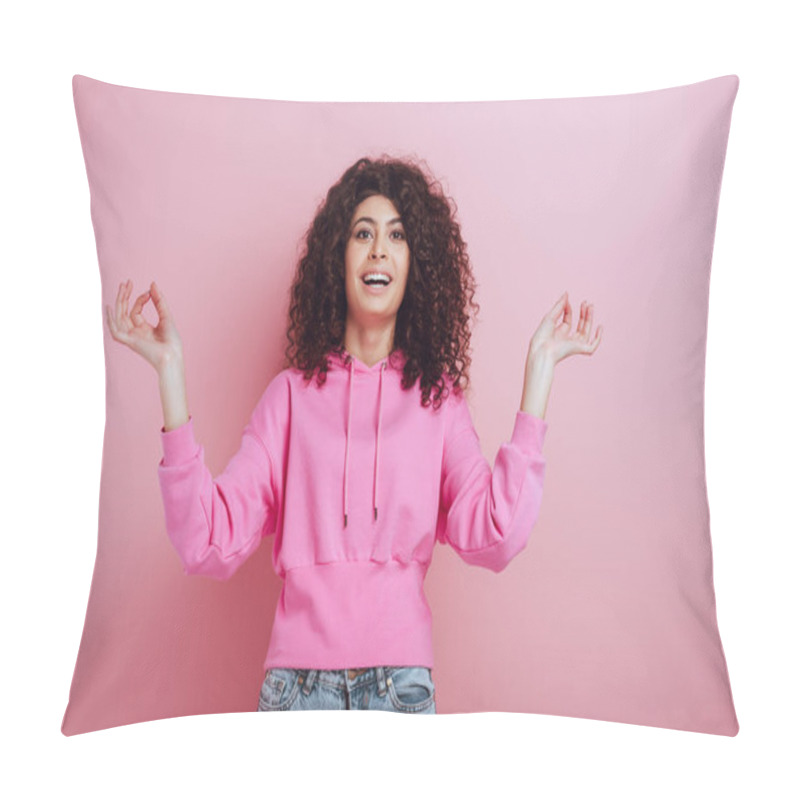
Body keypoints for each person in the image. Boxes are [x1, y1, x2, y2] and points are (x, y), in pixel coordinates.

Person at [106, 155, 602, 714]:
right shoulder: (289, 398)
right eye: (362, 233)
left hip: (401, 688)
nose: (378, 250)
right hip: (296, 690)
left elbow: (497, 533)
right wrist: (169, 372)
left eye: (397, 236)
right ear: (336, 260)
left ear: (416, 265)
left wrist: (539, 374)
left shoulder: (438, 402)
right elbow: (206, 540)